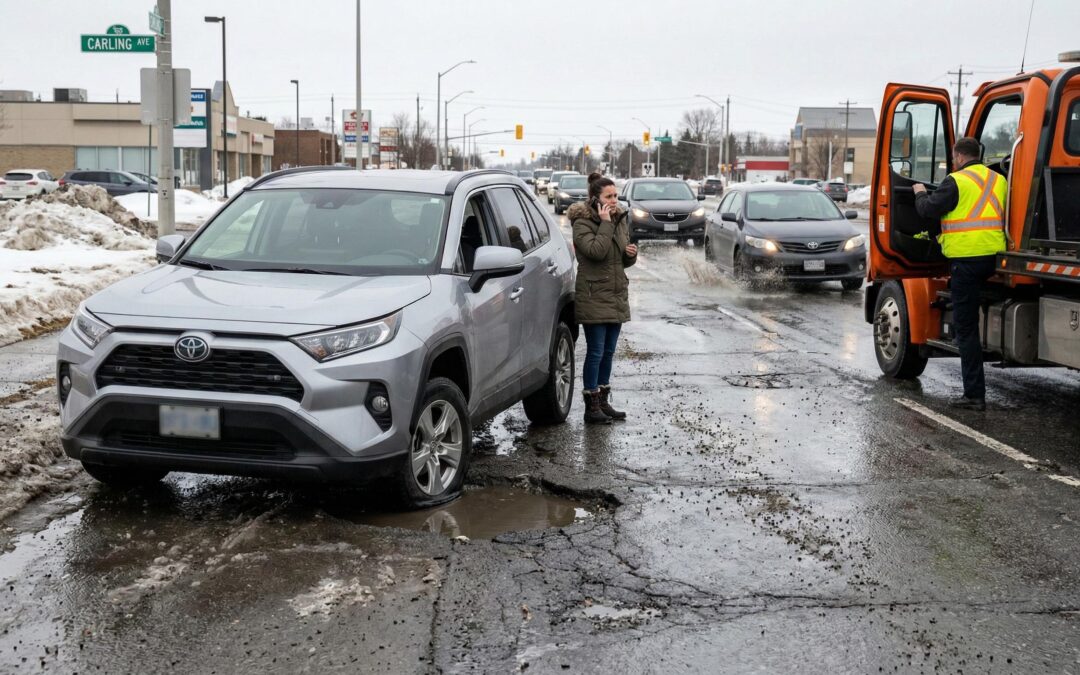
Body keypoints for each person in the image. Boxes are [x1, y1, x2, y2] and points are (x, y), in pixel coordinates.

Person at [913, 136, 1007, 411]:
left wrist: (919, 191)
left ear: (958, 156)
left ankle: (974, 395)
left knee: (966, 330)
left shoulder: (956, 180)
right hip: (993, 259)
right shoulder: (998, 180)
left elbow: (927, 210)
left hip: (965, 261)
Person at [567, 172, 638, 424]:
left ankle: (604, 402)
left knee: (609, 352)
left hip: (616, 294)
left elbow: (618, 260)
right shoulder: (582, 223)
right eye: (609, 196)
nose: (614, 200)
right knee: (595, 352)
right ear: (595, 198)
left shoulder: (619, 220)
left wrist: (631, 254)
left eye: (616, 195)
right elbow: (596, 252)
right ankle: (591, 406)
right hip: (594, 295)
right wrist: (606, 222)